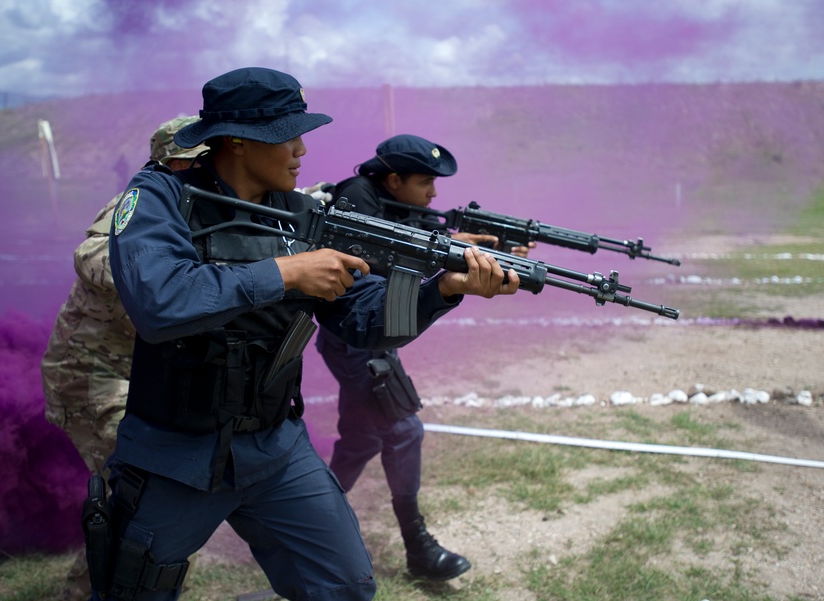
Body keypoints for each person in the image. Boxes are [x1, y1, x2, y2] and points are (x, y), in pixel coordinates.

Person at [99, 66, 519, 601]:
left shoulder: (302, 216)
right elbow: (159, 302)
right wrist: (286, 272)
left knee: (345, 589)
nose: (301, 148)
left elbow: (367, 321)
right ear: (238, 140)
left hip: (276, 449)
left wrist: (443, 290)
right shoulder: (160, 198)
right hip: (176, 454)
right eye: (286, 134)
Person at [314, 133, 532, 582]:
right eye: (424, 183)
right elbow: (375, 262)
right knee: (402, 430)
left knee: (361, 440)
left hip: (368, 336)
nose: (433, 193)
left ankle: (311, 527)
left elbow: (410, 244)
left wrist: (486, 252)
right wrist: (442, 245)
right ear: (393, 179)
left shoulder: (388, 201)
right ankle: (417, 547)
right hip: (356, 339)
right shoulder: (354, 198)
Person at [40, 115, 205, 601]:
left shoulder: (198, 202)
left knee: (136, 500)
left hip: (138, 377)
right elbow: (91, 255)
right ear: (174, 163)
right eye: (200, 161)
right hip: (91, 377)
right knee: (147, 491)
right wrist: (162, 274)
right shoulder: (139, 202)